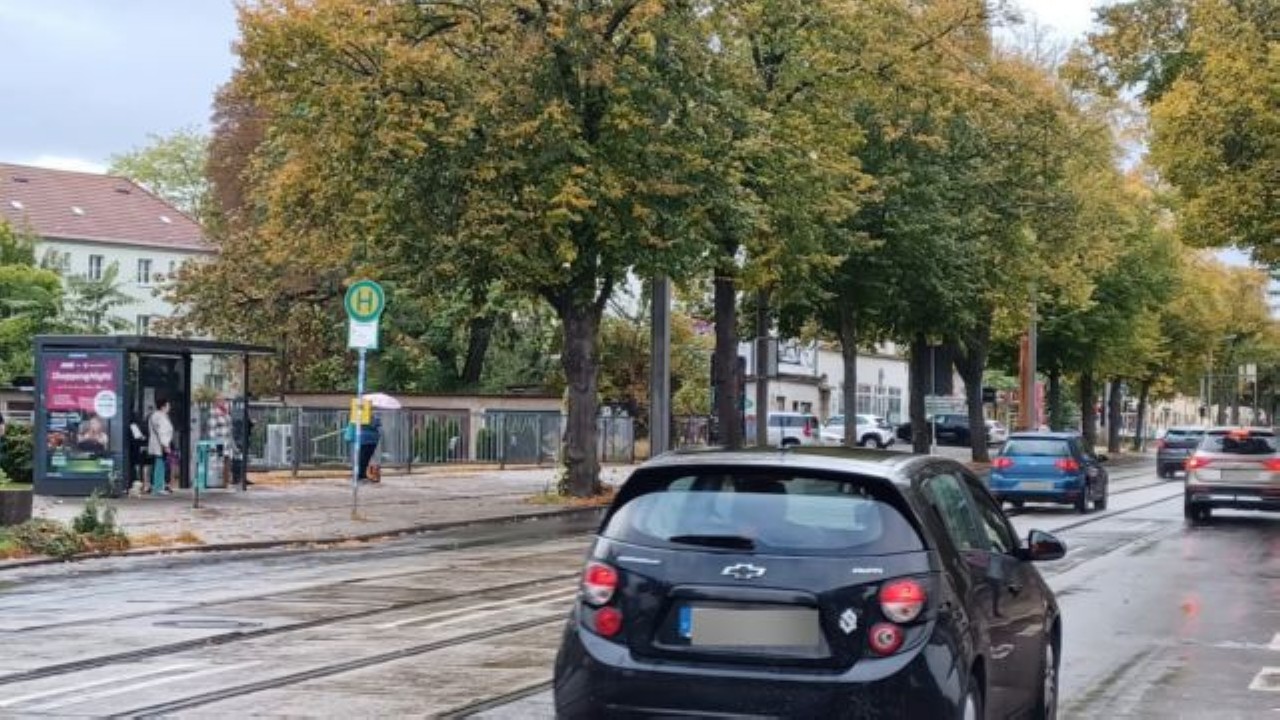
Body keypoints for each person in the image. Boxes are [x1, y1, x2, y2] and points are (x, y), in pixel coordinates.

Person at [147, 397, 175, 495]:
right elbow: (163, 432)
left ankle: (155, 486)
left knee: (156, 465)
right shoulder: (161, 417)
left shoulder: (154, 416)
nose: (169, 407)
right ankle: (158, 488)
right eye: (168, 405)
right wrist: (166, 445)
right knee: (160, 465)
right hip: (161, 445)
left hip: (155, 444)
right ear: (163, 407)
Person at [346, 415, 382, 483]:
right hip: (370, 439)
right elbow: (378, 425)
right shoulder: (372, 416)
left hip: (364, 439)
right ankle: (362, 475)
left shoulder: (361, 415)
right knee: (364, 459)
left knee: (362, 458)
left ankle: (361, 475)